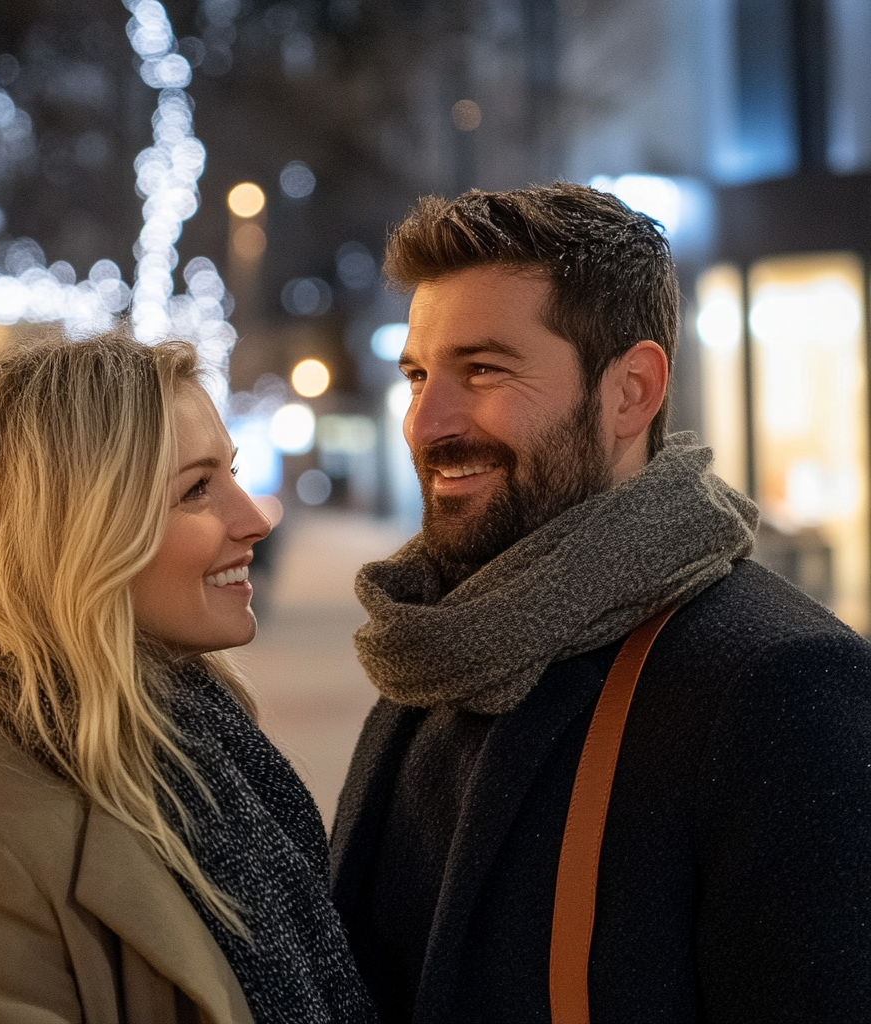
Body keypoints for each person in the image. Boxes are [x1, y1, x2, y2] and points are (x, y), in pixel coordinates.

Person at [331, 184, 871, 1023]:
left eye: (482, 370)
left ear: (631, 392)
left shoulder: (778, 683)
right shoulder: (429, 650)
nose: (427, 421)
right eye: (418, 374)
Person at [0, 330, 377, 1024]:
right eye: (197, 491)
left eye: (234, 475)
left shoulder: (206, 752)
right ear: (73, 532)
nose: (253, 520)